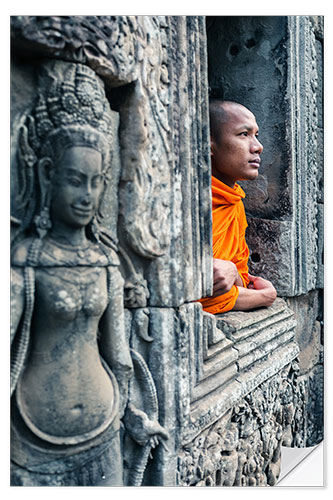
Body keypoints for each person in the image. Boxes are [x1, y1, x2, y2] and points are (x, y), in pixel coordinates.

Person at [10, 62, 168, 486]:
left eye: (97, 182)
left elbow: (119, 358)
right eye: (74, 180)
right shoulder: (25, 261)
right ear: (46, 175)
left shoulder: (105, 261)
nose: (87, 195)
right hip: (31, 436)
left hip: (105, 426)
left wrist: (132, 415)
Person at [200, 99, 277, 314]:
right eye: (244, 134)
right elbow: (192, 293)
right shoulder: (186, 202)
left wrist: (234, 274)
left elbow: (236, 282)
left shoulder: (233, 204)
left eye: (256, 135)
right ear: (209, 144)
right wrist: (263, 296)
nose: (258, 147)